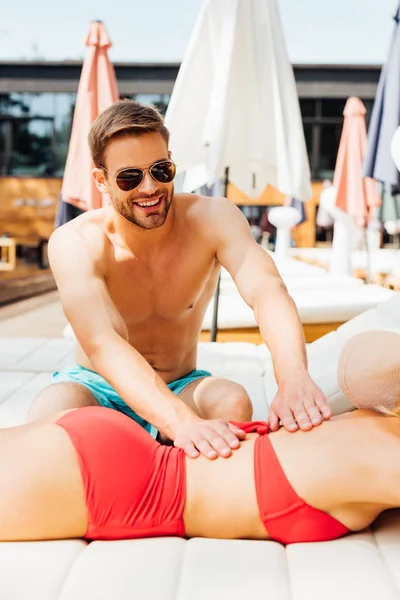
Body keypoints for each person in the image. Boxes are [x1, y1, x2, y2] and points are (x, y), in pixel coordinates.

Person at [28, 99, 330, 460]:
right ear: (101, 180)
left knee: (232, 402)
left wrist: (293, 377)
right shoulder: (76, 242)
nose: (149, 188)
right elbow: (103, 344)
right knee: (53, 412)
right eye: (129, 177)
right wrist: (181, 423)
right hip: (97, 388)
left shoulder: (213, 218)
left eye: (160, 169)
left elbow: (267, 291)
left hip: (181, 383)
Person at [1, 329, 400, 544]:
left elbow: (362, 357)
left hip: (124, 473)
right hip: (122, 483)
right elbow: (360, 360)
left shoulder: (375, 428)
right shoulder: (382, 434)